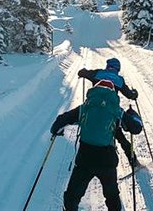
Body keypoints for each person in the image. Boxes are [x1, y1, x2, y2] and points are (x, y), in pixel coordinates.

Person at [51, 79, 124, 211]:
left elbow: (59, 123)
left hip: (85, 160)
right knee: (112, 196)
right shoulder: (116, 110)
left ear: (95, 91)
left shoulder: (85, 108)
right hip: (107, 161)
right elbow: (135, 127)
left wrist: (57, 131)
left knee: (72, 197)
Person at [78, 58, 139, 166]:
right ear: (118, 68)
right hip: (110, 114)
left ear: (107, 66)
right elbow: (129, 95)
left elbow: (82, 73)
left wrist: (83, 72)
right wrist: (134, 93)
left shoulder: (97, 73)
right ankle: (132, 159)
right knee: (120, 136)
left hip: (93, 111)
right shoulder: (119, 80)